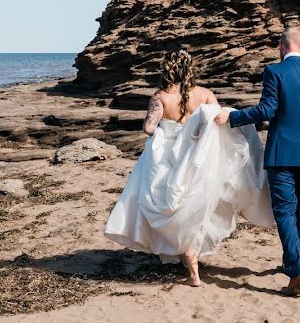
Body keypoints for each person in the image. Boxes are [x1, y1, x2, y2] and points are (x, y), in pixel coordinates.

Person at [104, 49, 275, 287]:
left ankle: (192, 271)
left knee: (170, 205)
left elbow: (148, 128)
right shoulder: (205, 95)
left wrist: (167, 130)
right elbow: (220, 122)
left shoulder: (160, 97)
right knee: (193, 206)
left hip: (167, 158)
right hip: (198, 158)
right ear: (190, 69)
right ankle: (191, 263)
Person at [215, 27, 300, 296]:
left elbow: (267, 110)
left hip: (282, 154)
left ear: (282, 48)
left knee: (284, 210)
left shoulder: (275, 72)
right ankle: (291, 262)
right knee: (297, 209)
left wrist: (233, 118)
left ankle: (297, 272)